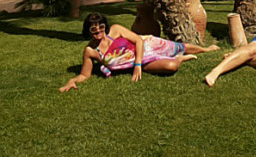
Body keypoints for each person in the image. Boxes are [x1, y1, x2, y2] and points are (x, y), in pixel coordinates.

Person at [60, 12, 219, 92]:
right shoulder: (90, 51)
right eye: (94, 30)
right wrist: (72, 81)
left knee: (179, 47)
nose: (98, 32)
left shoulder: (115, 30)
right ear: (88, 31)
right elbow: (84, 75)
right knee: (171, 66)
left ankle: (205, 49)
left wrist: (137, 66)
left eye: (101, 28)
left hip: (145, 47)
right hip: (139, 62)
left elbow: (137, 40)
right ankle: (181, 59)